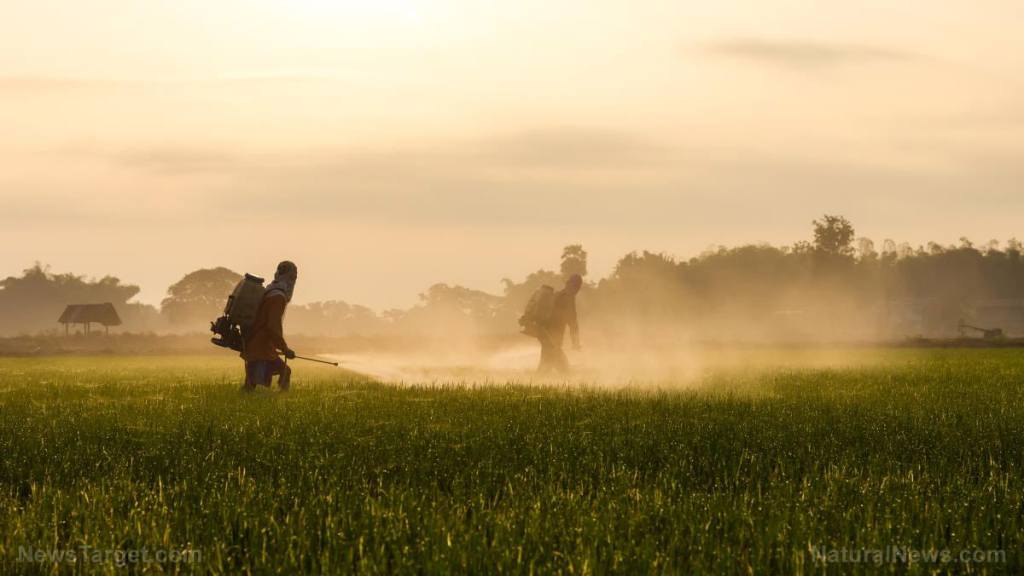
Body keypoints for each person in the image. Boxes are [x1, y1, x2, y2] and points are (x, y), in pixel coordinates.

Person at [242, 261, 297, 391]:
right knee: (283, 372)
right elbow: (273, 326)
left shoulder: (271, 290)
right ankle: (283, 401)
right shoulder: (278, 297)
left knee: (251, 383)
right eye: (293, 277)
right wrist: (284, 348)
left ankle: (281, 400)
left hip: (257, 343)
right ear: (289, 278)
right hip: (262, 346)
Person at [537, 274, 582, 374]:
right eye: (578, 287)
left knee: (545, 368)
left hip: (546, 336)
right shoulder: (568, 298)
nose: (578, 290)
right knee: (564, 372)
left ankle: (533, 385)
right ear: (574, 286)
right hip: (553, 341)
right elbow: (573, 322)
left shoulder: (557, 294)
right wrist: (575, 343)